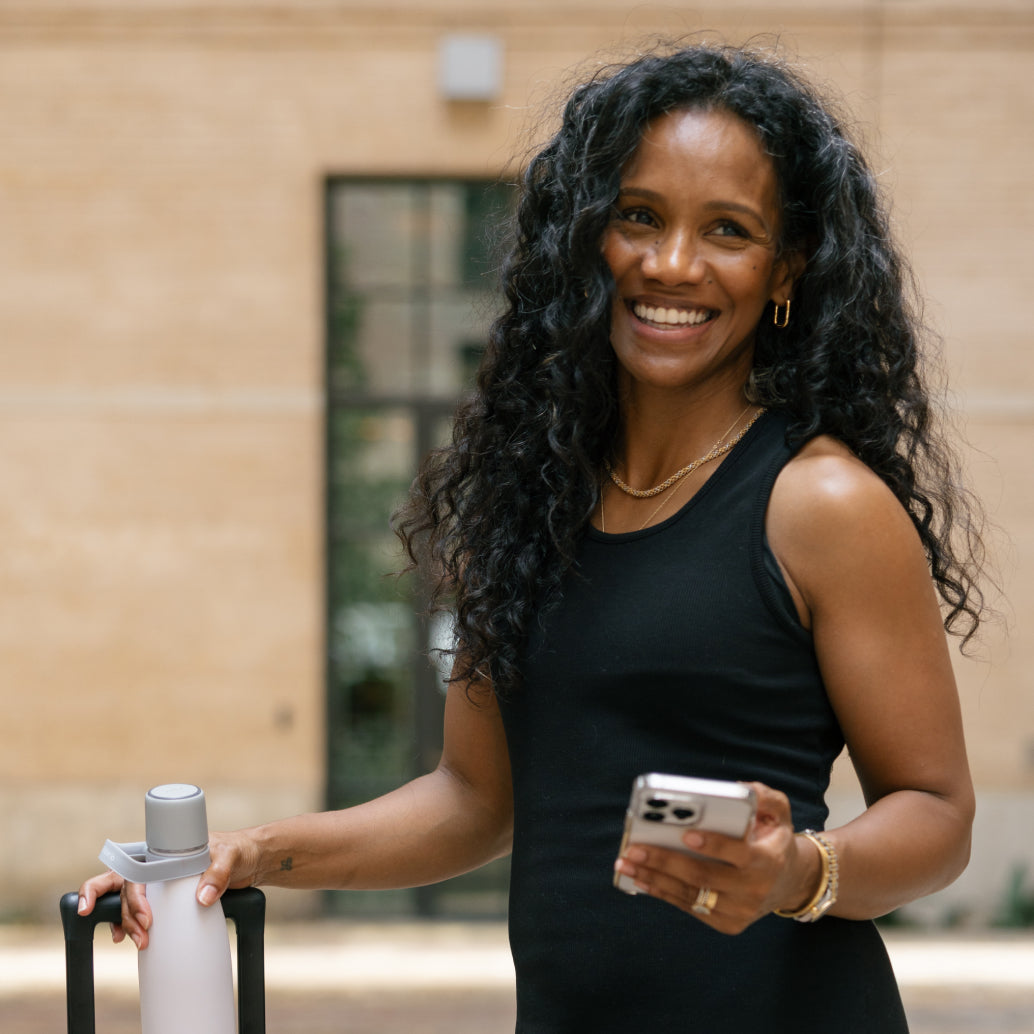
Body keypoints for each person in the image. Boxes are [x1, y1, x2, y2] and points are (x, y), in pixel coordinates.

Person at [79, 41, 989, 1032]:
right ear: (586, 234)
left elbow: (935, 812)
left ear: (784, 267)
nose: (670, 263)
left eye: (725, 229)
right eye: (638, 216)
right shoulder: (528, 500)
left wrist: (797, 870)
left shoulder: (817, 502)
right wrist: (254, 853)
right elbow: (472, 797)